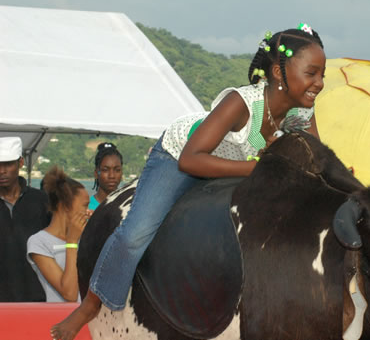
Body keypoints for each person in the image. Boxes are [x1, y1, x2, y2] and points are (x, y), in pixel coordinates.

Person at [51, 23, 326, 340]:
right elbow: (191, 159)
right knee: (136, 231)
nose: (319, 83)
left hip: (236, 166)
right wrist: (256, 168)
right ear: (279, 72)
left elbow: (312, 159)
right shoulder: (242, 103)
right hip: (180, 155)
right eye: (312, 73)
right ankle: (90, 304)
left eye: (322, 75)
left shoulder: (303, 110)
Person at [27, 166, 91, 302]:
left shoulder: (86, 237)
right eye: (85, 206)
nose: (88, 211)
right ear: (66, 205)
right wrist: (72, 243)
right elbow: (70, 294)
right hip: (60, 319)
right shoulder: (38, 242)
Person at [0, 136, 50, 302]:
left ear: (20, 163)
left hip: (36, 296)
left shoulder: (42, 201)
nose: (2, 170)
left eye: (8, 164)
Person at [88, 142, 123, 211]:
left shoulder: (129, 208)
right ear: (96, 173)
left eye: (117, 170)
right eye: (105, 170)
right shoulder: (85, 208)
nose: (112, 176)